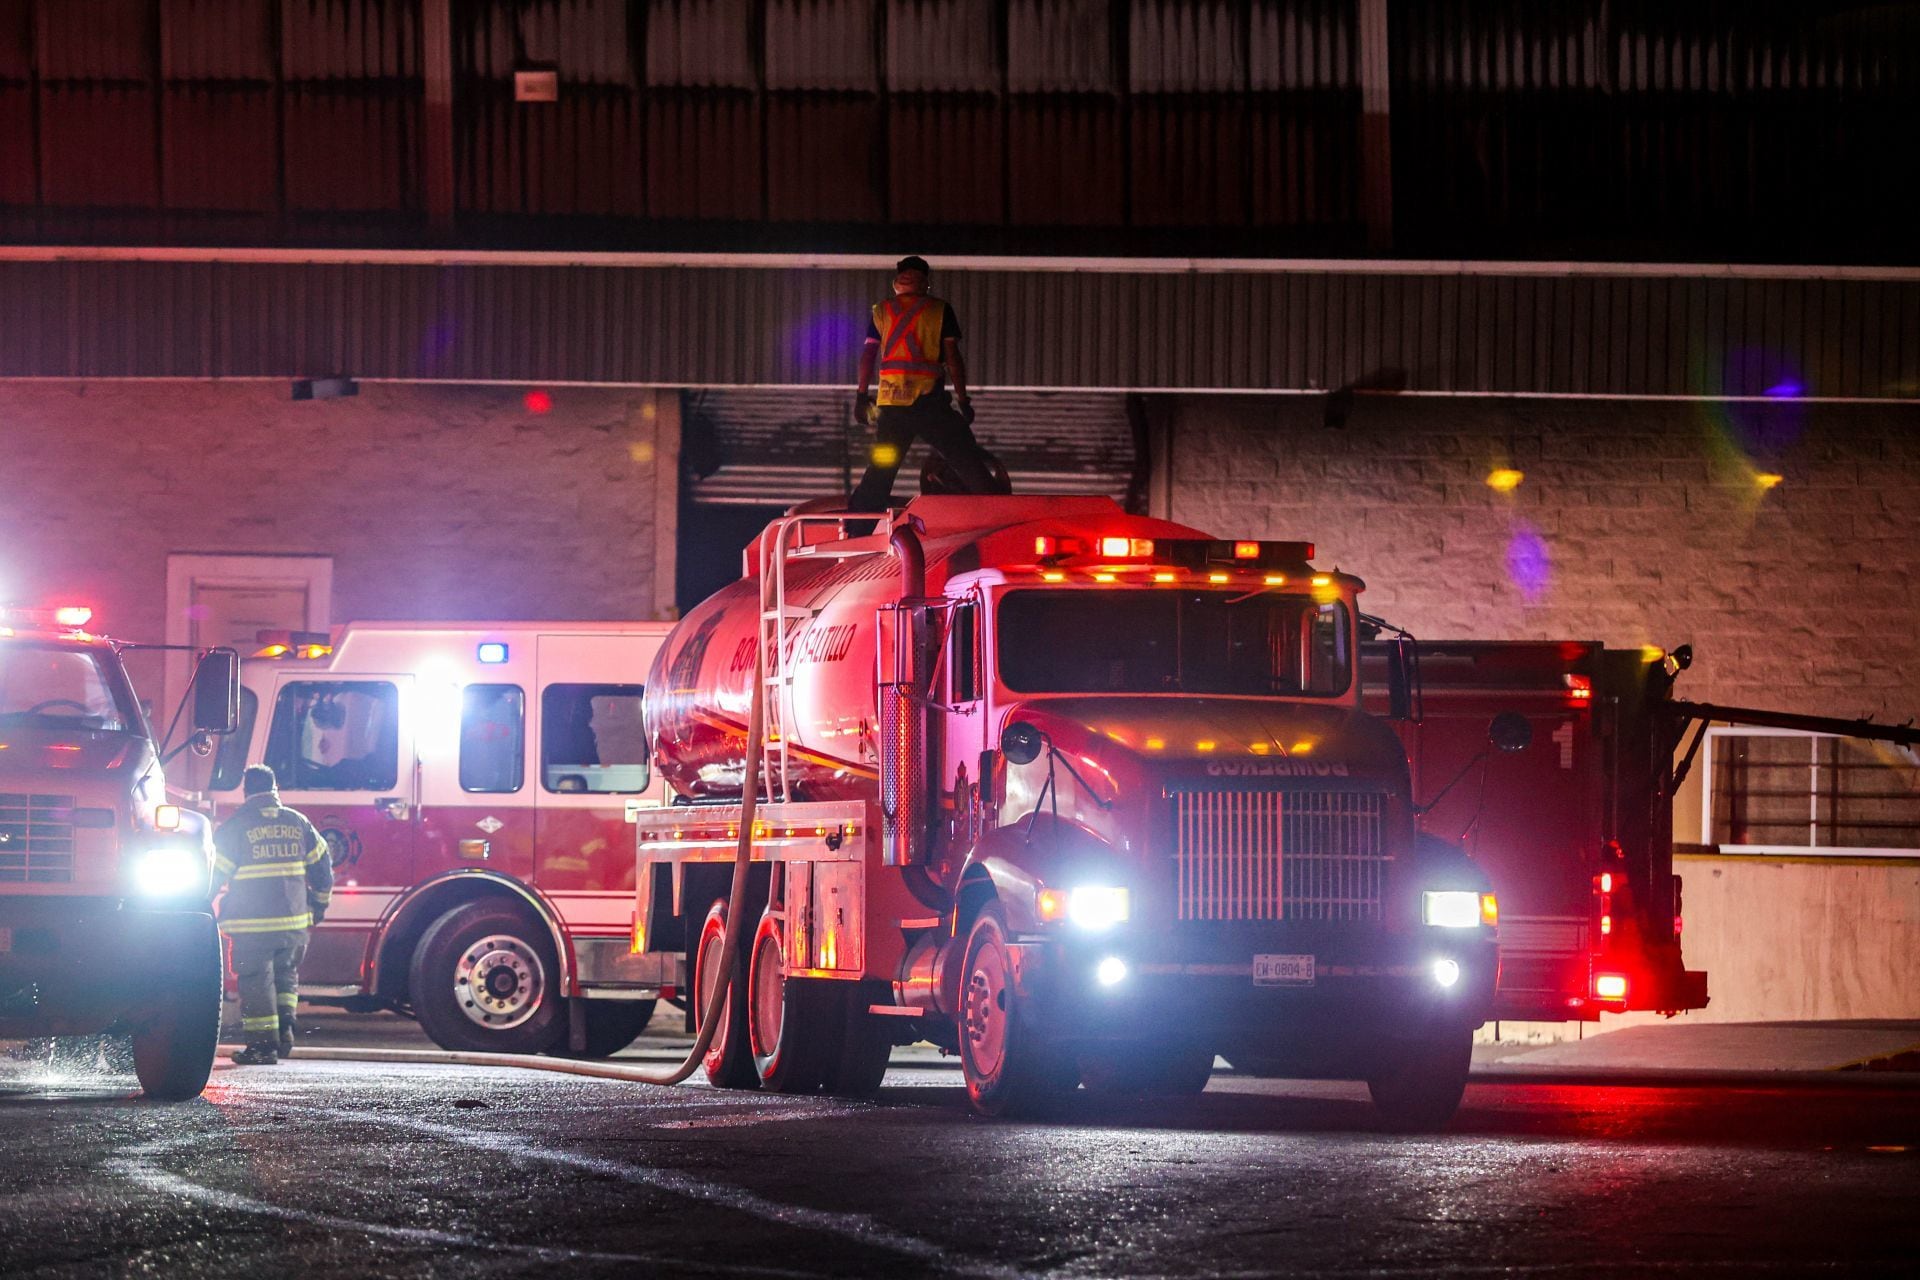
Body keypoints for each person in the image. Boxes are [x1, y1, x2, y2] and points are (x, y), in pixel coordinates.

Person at [849, 255, 1006, 512]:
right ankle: (999, 514)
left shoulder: (882, 310)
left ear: (898, 281)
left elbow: (868, 355)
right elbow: (953, 359)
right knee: (964, 457)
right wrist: (963, 400)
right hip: (930, 406)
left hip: (892, 408)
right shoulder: (938, 309)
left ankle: (856, 526)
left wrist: (861, 395)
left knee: (882, 468)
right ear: (925, 283)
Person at [212, 764, 333, 1065]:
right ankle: (285, 1037)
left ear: (246, 791)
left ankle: (262, 1047)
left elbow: (213, 876)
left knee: (256, 981)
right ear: (275, 788)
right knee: (285, 977)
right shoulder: (299, 822)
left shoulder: (235, 827)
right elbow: (323, 868)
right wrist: (318, 905)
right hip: (293, 924)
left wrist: (197, 905)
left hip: (252, 926)